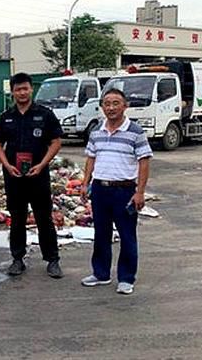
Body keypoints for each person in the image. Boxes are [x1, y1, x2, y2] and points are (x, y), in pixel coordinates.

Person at [80, 88, 152, 295]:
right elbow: (91, 158)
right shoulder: (96, 132)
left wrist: (140, 192)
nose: (110, 108)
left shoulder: (135, 132)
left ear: (125, 106)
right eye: (107, 104)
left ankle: (126, 278)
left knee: (127, 235)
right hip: (100, 190)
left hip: (124, 191)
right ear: (102, 107)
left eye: (115, 103)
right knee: (101, 234)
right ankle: (101, 273)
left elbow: (144, 162)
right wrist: (85, 183)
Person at [0, 73, 64, 278]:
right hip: (14, 177)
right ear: (12, 91)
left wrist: (42, 164)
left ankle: (52, 260)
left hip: (38, 176)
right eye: (18, 89)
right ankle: (17, 259)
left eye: (25, 88)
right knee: (17, 218)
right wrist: (6, 165)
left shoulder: (45, 114)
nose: (22, 93)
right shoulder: (6, 117)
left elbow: (56, 141)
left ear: (31, 89)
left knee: (44, 218)